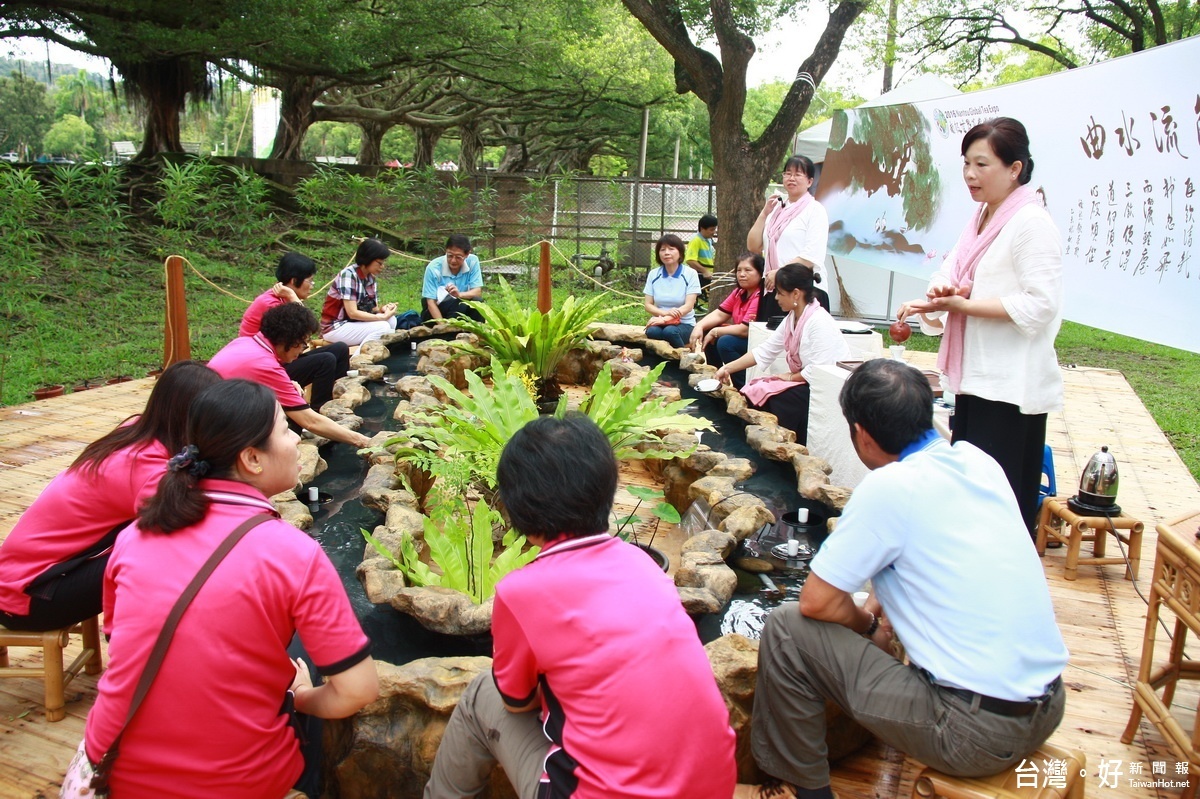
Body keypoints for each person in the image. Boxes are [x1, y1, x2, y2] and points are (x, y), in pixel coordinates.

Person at [736, 359, 1067, 799]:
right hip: (1047, 706)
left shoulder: (891, 487)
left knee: (786, 628)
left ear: (862, 436)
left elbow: (816, 603)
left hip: (975, 734)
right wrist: (874, 611)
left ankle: (807, 790)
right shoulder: (976, 461)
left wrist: (868, 626)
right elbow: (919, 562)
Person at [80, 379, 378, 798]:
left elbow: (123, 642)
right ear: (252, 458)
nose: (296, 439)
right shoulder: (290, 551)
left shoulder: (137, 532)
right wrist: (302, 696)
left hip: (112, 765)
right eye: (284, 430)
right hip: (234, 781)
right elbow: (358, 690)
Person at [424, 414, 737, 799]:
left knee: (480, 694)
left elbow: (517, 703)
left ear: (517, 506)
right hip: (714, 787)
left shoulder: (521, 590)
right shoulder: (642, 563)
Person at [897, 117, 1062, 536]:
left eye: (982, 164)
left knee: (998, 502)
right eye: (966, 163)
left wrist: (964, 305)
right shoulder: (981, 219)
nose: (970, 174)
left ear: (1014, 169)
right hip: (977, 378)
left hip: (1010, 385)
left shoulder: (1031, 223)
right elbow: (949, 269)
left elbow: (1040, 304)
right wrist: (940, 292)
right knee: (970, 493)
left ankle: (999, 589)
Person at [0, 362, 221, 632]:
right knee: (154, 554)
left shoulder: (138, 429)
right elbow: (199, 523)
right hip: (28, 597)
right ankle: (139, 645)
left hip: (20, 579)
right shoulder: (144, 468)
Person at [714, 263, 849, 444]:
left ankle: (785, 448)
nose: (776, 298)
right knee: (754, 389)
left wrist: (788, 377)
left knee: (779, 399)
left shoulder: (818, 321)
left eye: (779, 293)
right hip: (804, 380)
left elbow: (819, 370)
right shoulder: (793, 317)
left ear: (795, 294)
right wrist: (728, 368)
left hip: (824, 388)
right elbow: (766, 350)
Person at [210, 303, 372, 449]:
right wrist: (363, 441)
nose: (303, 349)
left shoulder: (245, 343)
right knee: (290, 429)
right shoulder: (266, 365)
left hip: (212, 413)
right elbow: (310, 421)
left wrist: (288, 382)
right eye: (303, 343)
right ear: (288, 339)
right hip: (220, 431)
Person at [241, 251, 350, 410]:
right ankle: (321, 410)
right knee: (325, 361)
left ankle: (339, 399)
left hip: (283, 356)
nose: (312, 286)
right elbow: (307, 330)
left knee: (340, 348)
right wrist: (293, 296)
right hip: (266, 368)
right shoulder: (271, 303)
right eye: (310, 281)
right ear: (293, 280)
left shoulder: (281, 298)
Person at [747, 155, 831, 320]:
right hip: (774, 288)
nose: (791, 178)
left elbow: (811, 256)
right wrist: (764, 214)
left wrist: (779, 272)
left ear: (809, 181)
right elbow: (753, 246)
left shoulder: (815, 210)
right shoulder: (777, 208)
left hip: (803, 290)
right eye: (787, 173)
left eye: (798, 174)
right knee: (770, 339)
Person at [688, 251, 764, 388]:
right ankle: (715, 377)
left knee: (725, 342)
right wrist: (699, 326)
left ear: (760, 273)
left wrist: (717, 331)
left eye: (748, 270)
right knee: (708, 331)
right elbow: (719, 314)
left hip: (756, 342)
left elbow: (745, 329)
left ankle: (743, 388)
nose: (741, 274)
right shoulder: (739, 292)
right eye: (739, 270)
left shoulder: (760, 295)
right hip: (743, 337)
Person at [320, 237, 398, 344]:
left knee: (391, 320)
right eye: (379, 263)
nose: (382, 267)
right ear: (368, 259)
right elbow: (352, 313)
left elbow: (373, 309)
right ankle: (360, 358)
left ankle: (379, 353)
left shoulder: (371, 278)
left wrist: (384, 310)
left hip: (354, 323)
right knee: (382, 326)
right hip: (336, 327)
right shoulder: (348, 275)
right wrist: (381, 317)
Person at [643, 233, 701, 349]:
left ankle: (683, 359)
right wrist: (665, 315)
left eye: (671, 249)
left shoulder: (690, 274)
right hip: (661, 321)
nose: (666, 253)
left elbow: (689, 306)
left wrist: (666, 319)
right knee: (652, 332)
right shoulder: (654, 274)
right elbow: (648, 305)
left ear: (680, 253)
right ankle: (658, 364)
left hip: (684, 323)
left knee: (670, 332)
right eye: (662, 249)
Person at [421, 233, 484, 322]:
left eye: (458, 257)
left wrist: (459, 295)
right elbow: (431, 302)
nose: (453, 260)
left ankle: (477, 333)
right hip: (436, 311)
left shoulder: (473, 261)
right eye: (450, 255)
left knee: (477, 302)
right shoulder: (433, 268)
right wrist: (443, 326)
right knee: (458, 304)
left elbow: (477, 292)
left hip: (460, 306)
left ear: (467, 254)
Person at [685, 213, 718, 296]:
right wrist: (705, 271)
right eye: (711, 230)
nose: (713, 232)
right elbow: (690, 260)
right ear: (702, 229)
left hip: (709, 274)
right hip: (700, 276)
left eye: (715, 229)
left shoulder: (708, 240)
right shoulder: (696, 241)